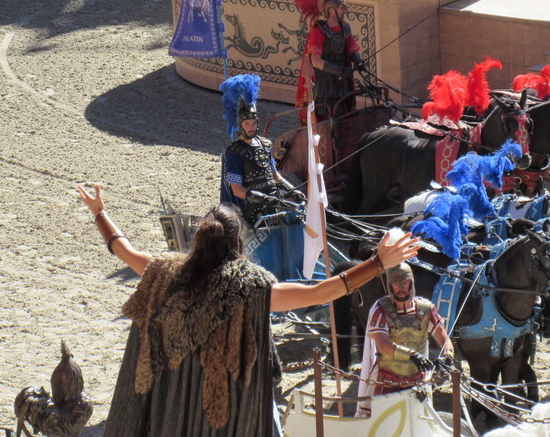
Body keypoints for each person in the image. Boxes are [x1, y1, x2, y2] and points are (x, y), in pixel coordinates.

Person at [77, 184, 419, 437]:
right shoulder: (253, 289)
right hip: (239, 407)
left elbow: (122, 249)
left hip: (177, 404)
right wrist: (378, 262)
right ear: (237, 241)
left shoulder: (166, 272)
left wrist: (99, 212)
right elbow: (322, 292)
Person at [356, 262, 454, 417]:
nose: (401, 289)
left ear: (412, 283)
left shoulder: (426, 308)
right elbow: (382, 345)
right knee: (381, 425)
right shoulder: (381, 309)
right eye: (395, 284)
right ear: (389, 285)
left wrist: (447, 357)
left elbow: (444, 339)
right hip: (387, 379)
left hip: (417, 379)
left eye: (405, 283)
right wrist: (412, 355)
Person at [294, 0, 366, 123]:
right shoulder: (319, 31)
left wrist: (358, 60)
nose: (345, 10)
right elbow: (316, 60)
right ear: (332, 11)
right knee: (328, 116)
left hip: (342, 83)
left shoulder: (344, 28)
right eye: (342, 7)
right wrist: (339, 70)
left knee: (345, 113)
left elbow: (351, 49)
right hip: (325, 84)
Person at [219, 73, 287, 224]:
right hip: (252, 212)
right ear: (239, 125)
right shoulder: (234, 153)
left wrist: (291, 189)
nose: (251, 127)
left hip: (274, 204)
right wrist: (257, 197)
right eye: (247, 124)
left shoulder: (265, 144)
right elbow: (236, 189)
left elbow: (274, 174)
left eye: (253, 123)